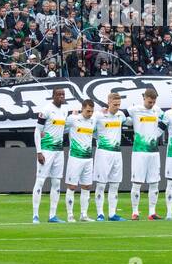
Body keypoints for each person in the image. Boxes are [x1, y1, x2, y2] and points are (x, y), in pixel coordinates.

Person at [32, 87, 69, 224]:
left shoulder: (65, 110)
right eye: (58, 94)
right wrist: (39, 151)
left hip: (59, 151)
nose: (61, 96)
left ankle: (52, 215)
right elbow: (37, 131)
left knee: (56, 182)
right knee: (40, 181)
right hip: (46, 150)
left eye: (63, 94)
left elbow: (63, 128)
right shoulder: (46, 110)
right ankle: (35, 215)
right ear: (53, 95)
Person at [92, 91, 129, 222]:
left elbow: (131, 119)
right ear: (108, 102)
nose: (117, 107)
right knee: (101, 185)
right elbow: (89, 129)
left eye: (119, 104)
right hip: (103, 153)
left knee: (115, 185)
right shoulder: (98, 115)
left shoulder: (121, 115)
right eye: (114, 104)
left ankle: (112, 214)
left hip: (117, 154)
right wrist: (98, 139)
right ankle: (100, 213)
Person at [129, 88, 164, 220]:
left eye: (153, 102)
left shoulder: (157, 110)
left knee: (154, 182)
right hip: (139, 151)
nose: (151, 104)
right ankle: (135, 212)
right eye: (149, 102)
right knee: (137, 183)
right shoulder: (135, 110)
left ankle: (152, 212)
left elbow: (166, 122)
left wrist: (156, 135)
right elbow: (121, 116)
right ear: (144, 98)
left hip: (154, 152)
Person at [63, 99, 97, 222]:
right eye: (88, 111)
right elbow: (62, 126)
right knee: (72, 186)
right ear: (82, 108)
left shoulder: (93, 120)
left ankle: (84, 214)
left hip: (88, 158)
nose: (90, 113)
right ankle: (70, 214)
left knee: (86, 186)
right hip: (75, 157)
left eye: (92, 111)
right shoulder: (73, 119)